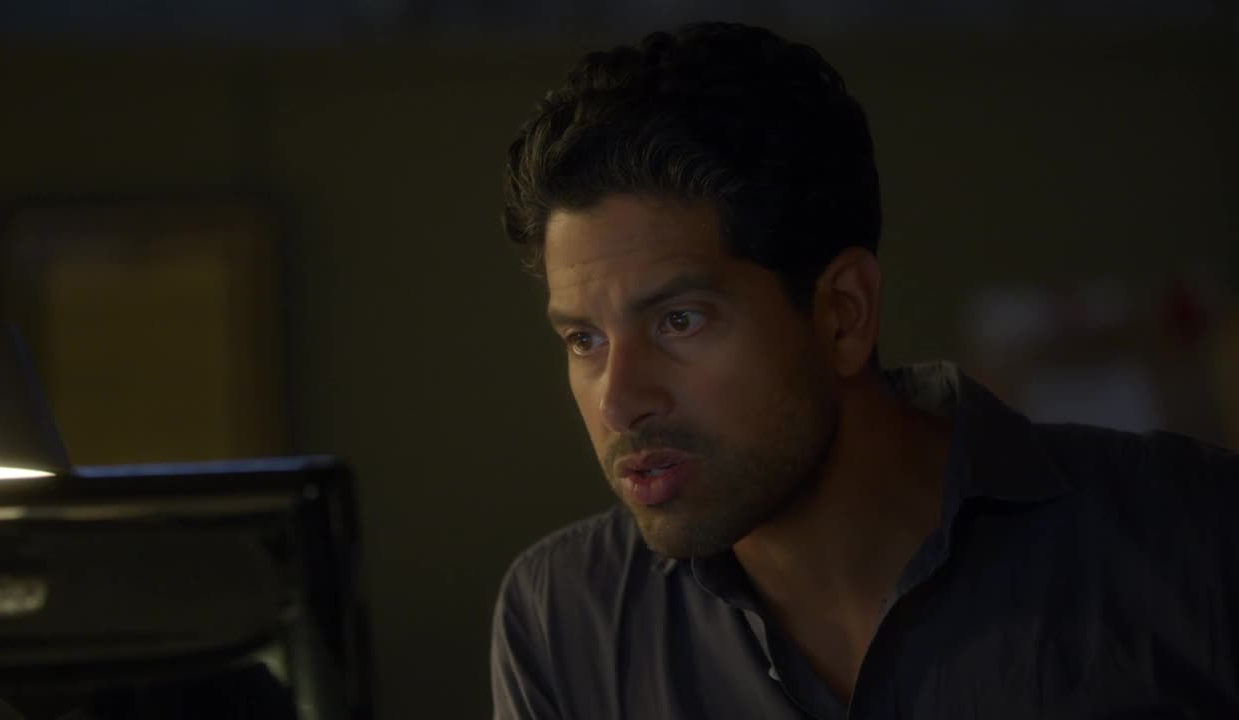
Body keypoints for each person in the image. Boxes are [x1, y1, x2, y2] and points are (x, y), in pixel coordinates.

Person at [490, 21, 1239, 719]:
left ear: (843, 314)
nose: (618, 403)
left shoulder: (1191, 539)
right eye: (584, 340)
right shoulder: (565, 621)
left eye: (678, 321)